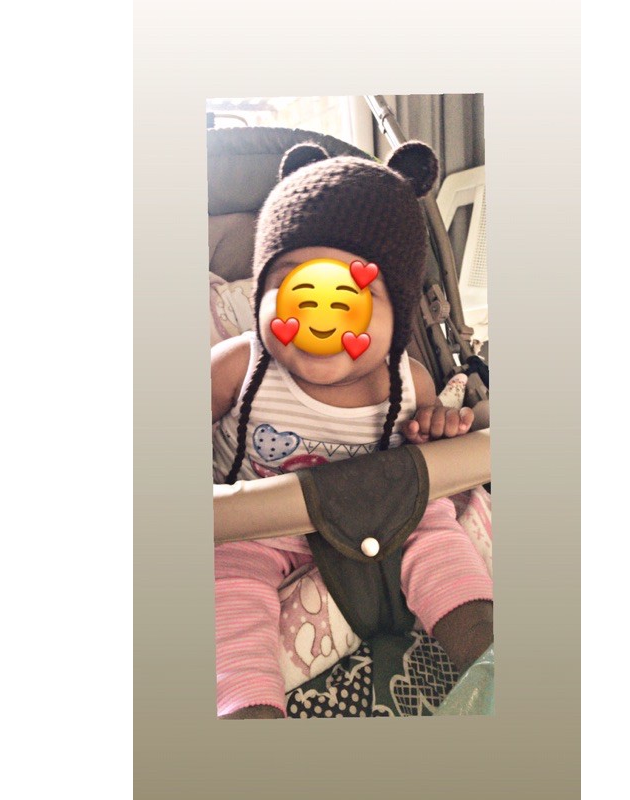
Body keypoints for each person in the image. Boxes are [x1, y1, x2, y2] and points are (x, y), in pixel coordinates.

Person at [212, 140, 493, 718]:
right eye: (293, 281)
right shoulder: (240, 364)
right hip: (255, 526)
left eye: (355, 293)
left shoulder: (408, 380)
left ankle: (484, 654)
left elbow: (426, 444)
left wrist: (436, 426)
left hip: (379, 511)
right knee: (227, 586)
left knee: (435, 526)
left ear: (400, 313)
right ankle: (248, 710)